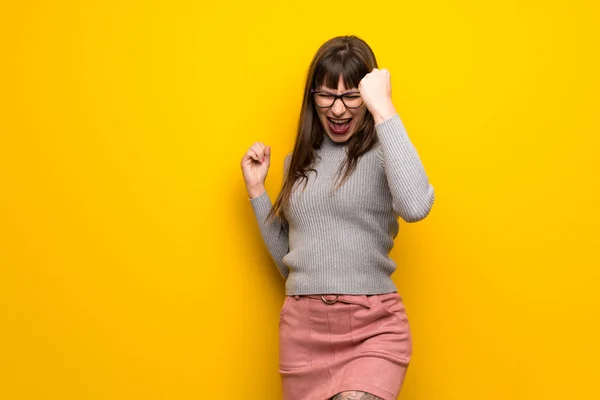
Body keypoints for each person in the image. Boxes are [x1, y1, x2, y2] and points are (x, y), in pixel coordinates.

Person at [240, 35, 435, 400]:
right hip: (303, 334)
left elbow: (416, 206)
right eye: (327, 95)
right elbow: (291, 263)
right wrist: (257, 193)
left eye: (351, 96)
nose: (339, 109)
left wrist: (384, 108)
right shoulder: (295, 163)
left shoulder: (384, 151)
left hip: (371, 326)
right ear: (312, 96)